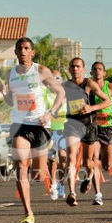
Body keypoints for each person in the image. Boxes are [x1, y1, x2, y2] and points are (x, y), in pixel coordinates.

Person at [0, 37, 65, 223]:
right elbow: (12, 103)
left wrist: (50, 114)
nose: (23, 51)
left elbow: (61, 93)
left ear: (32, 52)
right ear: (16, 52)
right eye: (20, 48)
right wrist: (4, 94)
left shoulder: (41, 71)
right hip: (20, 124)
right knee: (20, 168)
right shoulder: (11, 74)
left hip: (40, 125)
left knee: (37, 174)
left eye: (27, 48)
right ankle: (28, 212)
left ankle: (47, 160)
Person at [61, 57, 111, 206]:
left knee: (87, 163)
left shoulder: (89, 84)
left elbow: (108, 101)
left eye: (78, 66)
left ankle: (89, 177)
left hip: (88, 125)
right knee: (71, 157)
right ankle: (72, 193)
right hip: (72, 124)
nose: (75, 69)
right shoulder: (65, 85)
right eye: (72, 66)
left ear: (83, 69)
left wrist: (91, 108)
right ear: (69, 69)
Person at [90, 62, 112, 192]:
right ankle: (97, 194)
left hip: (107, 126)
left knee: (107, 165)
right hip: (93, 126)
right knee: (93, 158)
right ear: (91, 73)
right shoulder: (88, 87)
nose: (97, 71)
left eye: (100, 69)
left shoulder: (110, 87)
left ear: (104, 73)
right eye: (95, 69)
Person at [46, 69, 68, 200]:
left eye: (58, 78)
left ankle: (61, 185)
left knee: (63, 157)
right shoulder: (47, 95)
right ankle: (53, 184)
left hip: (63, 130)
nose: (56, 80)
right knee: (51, 160)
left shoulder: (66, 95)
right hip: (49, 130)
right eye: (53, 78)